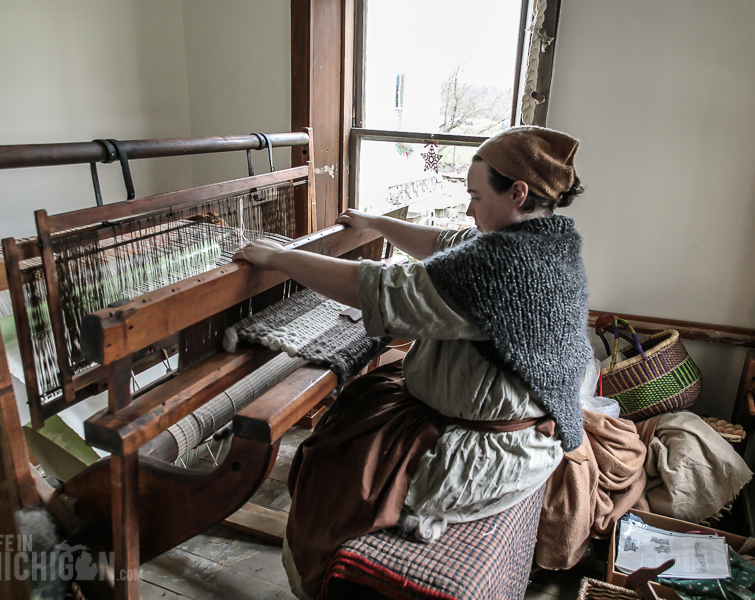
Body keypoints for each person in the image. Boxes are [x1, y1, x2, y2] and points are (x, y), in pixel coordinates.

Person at [233, 126, 592, 599]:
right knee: (358, 411)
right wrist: (375, 223)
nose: (469, 207)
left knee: (332, 467)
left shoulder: (506, 266)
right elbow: (447, 242)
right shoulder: (542, 242)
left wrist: (283, 259)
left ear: (518, 192)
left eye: (476, 195)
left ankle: (316, 583)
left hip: (484, 451)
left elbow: (385, 291)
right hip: (509, 428)